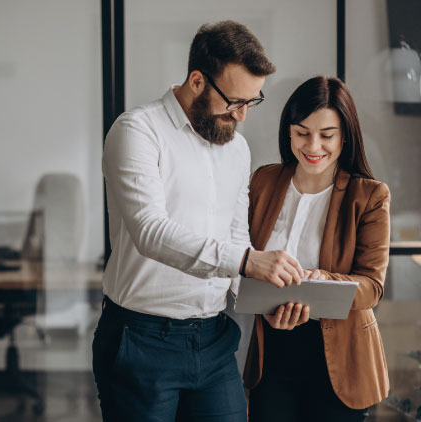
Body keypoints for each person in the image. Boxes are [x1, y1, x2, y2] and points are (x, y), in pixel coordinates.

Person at [93, 21, 305, 422]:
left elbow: (235, 233)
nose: (242, 116)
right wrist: (245, 260)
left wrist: (262, 300)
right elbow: (149, 231)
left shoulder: (236, 149)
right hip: (140, 339)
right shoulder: (137, 131)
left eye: (251, 102)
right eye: (234, 102)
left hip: (213, 338)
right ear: (196, 80)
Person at [244, 76, 390, 422]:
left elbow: (372, 287)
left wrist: (323, 279)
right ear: (288, 131)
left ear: (345, 136)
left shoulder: (369, 195)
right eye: (302, 132)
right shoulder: (263, 182)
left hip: (343, 358)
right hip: (273, 352)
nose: (313, 146)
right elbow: (242, 257)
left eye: (327, 135)